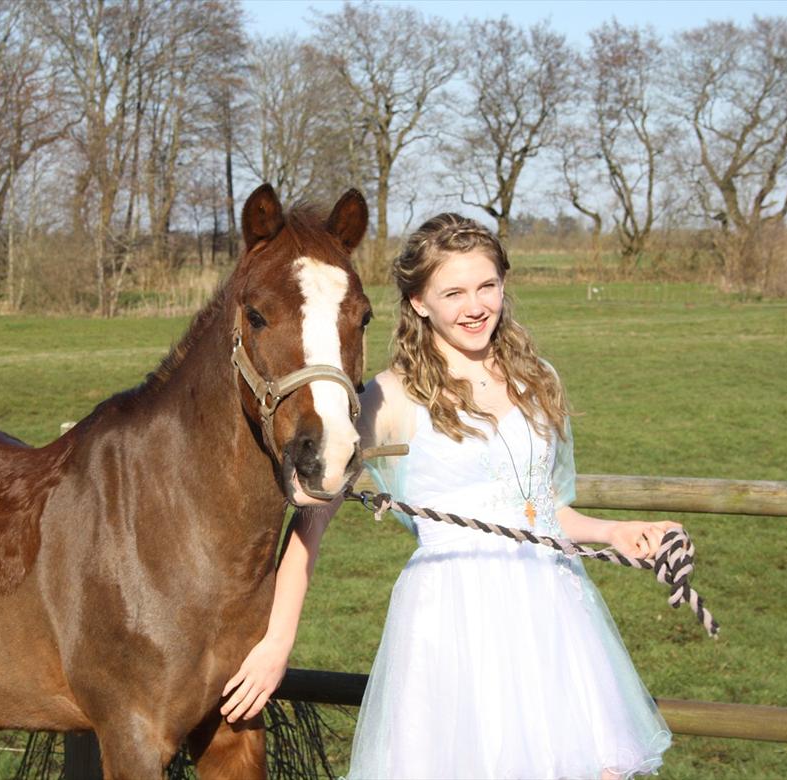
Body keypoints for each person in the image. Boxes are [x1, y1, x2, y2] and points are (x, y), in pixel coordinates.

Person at [221, 213, 674, 779]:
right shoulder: (389, 399)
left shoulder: (538, 379)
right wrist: (276, 644)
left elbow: (543, 509)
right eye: (453, 292)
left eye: (487, 286)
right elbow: (308, 530)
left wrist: (615, 533)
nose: (475, 305)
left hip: (555, 623)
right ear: (418, 303)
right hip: (455, 627)